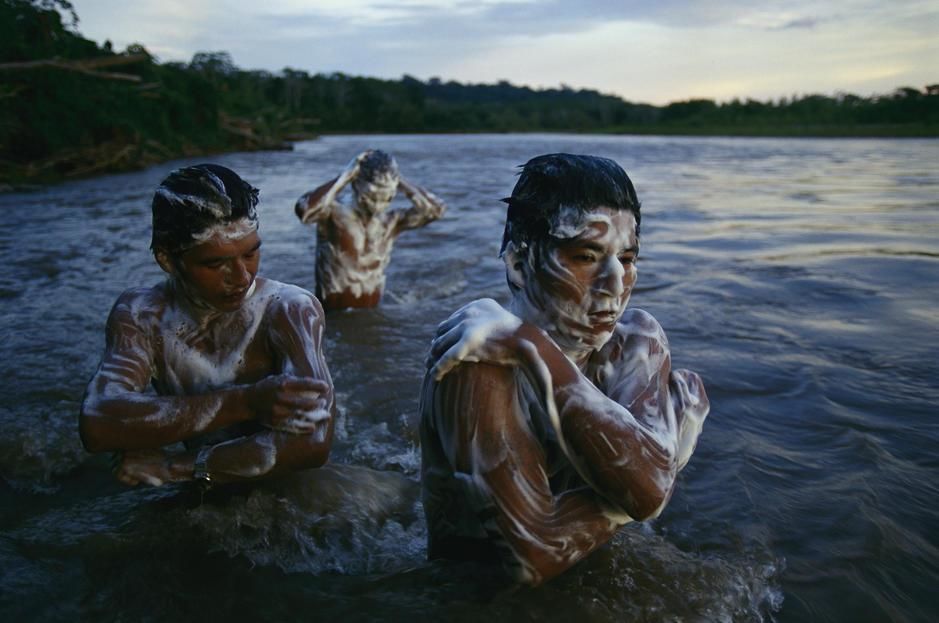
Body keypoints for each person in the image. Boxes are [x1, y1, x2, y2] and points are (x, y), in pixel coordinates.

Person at [420, 154, 710, 586]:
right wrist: (668, 457)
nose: (614, 284)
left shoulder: (635, 338)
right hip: (481, 602)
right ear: (520, 265)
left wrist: (539, 357)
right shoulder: (475, 363)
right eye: (586, 256)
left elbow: (646, 490)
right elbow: (533, 554)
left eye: (627, 260)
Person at [79, 164, 335, 488]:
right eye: (216, 263)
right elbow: (97, 422)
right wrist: (246, 402)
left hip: (288, 492)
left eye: (251, 254)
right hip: (207, 491)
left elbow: (313, 443)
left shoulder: (288, 309)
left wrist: (175, 468)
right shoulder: (143, 314)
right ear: (168, 261)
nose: (243, 277)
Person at [294, 149, 446, 311]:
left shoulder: (390, 222)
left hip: (371, 314)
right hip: (333, 315)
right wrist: (345, 175)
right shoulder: (333, 214)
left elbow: (436, 210)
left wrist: (397, 179)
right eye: (372, 197)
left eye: (387, 198)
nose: (378, 205)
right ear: (356, 185)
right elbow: (306, 211)